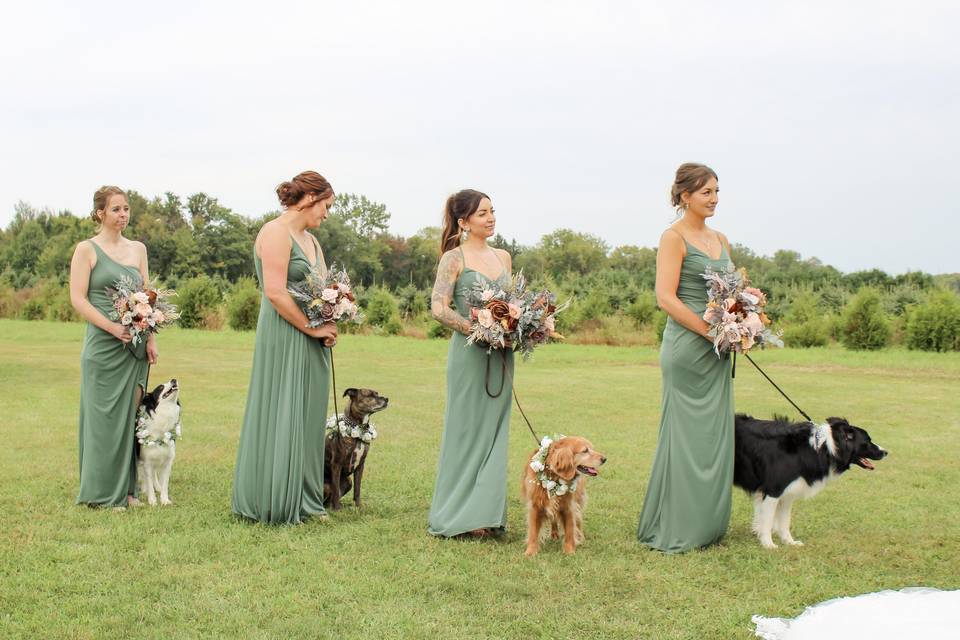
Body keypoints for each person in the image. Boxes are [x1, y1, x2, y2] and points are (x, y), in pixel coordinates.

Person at [637, 163, 735, 552]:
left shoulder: (721, 238)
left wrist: (739, 323)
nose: (713, 199)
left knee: (713, 437)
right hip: (688, 348)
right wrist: (711, 331)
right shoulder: (673, 237)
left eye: (716, 192)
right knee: (684, 437)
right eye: (706, 192)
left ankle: (707, 524)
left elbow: (730, 293)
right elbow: (665, 298)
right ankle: (678, 524)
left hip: (717, 351)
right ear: (684, 197)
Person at [232, 170, 338, 524]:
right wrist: (312, 327)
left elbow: (320, 288)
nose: (326, 214)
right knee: (282, 408)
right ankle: (274, 495)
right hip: (284, 332)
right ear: (310, 199)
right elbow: (275, 292)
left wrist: (332, 315)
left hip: (312, 337)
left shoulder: (311, 240)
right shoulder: (275, 233)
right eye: (326, 206)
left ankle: (307, 497)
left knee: (308, 414)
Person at [427, 189, 514, 538]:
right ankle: (459, 515)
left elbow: (511, 303)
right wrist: (477, 329)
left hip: (502, 356)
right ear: (464, 222)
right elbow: (438, 308)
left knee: (494, 433)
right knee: (466, 432)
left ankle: (487, 514)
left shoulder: (504, 257)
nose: (491, 218)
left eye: (492, 211)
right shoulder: (453, 257)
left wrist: (518, 326)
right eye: (482, 213)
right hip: (469, 354)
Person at [70, 185, 158, 509]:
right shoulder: (86, 249)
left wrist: (151, 338)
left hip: (133, 350)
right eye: (116, 209)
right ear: (100, 213)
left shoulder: (138, 250)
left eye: (126, 209)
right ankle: (99, 492)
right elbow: (77, 298)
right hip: (102, 348)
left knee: (128, 420)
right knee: (101, 420)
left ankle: (127, 491)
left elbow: (148, 298)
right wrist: (110, 327)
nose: (122, 215)